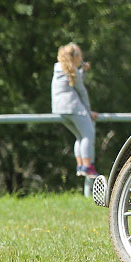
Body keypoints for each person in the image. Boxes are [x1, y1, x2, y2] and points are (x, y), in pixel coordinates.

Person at [51, 43, 98, 177]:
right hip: (73, 106)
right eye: (80, 55)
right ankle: (88, 167)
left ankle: (80, 166)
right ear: (76, 56)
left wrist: (82, 71)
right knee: (88, 135)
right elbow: (81, 91)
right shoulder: (72, 70)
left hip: (59, 109)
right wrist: (89, 112)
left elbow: (73, 80)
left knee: (79, 136)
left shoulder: (59, 68)